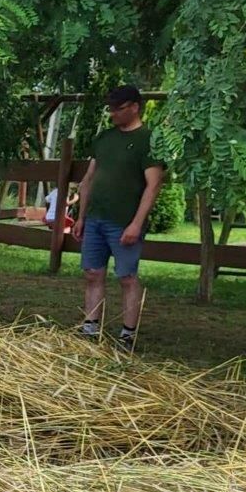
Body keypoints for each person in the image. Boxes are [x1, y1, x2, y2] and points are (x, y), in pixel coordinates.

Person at [72, 85, 165, 348]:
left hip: (124, 222)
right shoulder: (104, 139)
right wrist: (81, 217)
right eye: (110, 108)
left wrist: (136, 223)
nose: (112, 114)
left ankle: (127, 333)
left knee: (126, 277)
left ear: (135, 107)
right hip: (95, 218)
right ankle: (90, 327)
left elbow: (154, 184)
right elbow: (89, 179)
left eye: (118, 108)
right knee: (92, 272)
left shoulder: (149, 140)